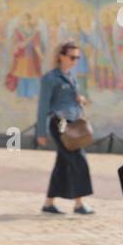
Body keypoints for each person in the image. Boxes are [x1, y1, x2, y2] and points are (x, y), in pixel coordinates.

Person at [36, 41, 93, 215]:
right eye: (72, 57)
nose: (75, 61)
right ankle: (78, 204)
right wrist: (41, 132)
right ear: (61, 56)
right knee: (79, 160)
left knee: (62, 164)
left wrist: (79, 99)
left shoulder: (71, 76)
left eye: (77, 58)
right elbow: (43, 106)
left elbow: (68, 98)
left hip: (74, 124)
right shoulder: (50, 78)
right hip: (60, 125)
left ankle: (48, 203)